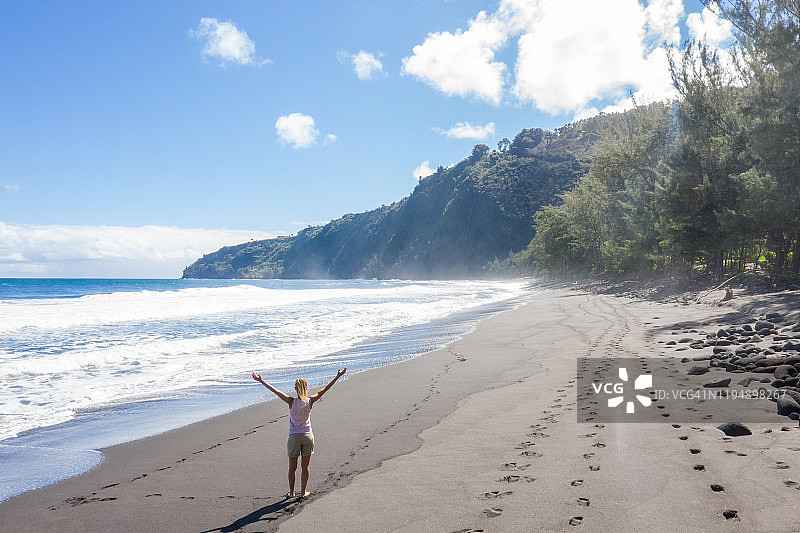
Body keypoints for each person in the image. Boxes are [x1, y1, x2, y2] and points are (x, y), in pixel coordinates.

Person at [251, 368, 347, 498]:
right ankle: (303, 492)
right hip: (307, 436)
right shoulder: (310, 401)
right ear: (306, 387)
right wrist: (337, 377)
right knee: (305, 466)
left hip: (294, 437)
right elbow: (325, 389)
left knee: (292, 467)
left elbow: (276, 391)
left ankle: (292, 492)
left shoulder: (291, 401)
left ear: (296, 389)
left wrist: (261, 381)